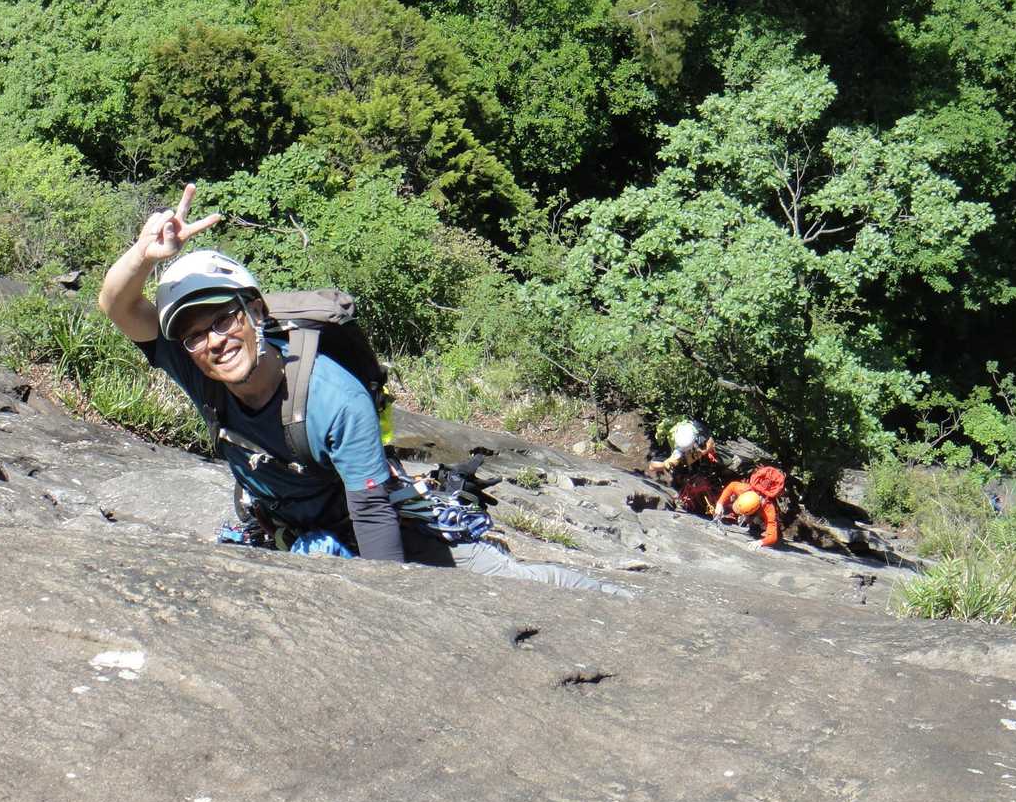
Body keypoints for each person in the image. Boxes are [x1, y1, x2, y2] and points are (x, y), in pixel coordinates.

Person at [98, 184, 630, 596]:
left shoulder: (333, 398)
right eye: (194, 334)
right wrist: (144, 254)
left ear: (255, 311)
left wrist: (382, 609)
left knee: (504, 583)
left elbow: (374, 516)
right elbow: (116, 306)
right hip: (283, 527)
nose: (214, 341)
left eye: (223, 320)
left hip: (367, 519)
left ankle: (618, 600)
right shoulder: (198, 364)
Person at [647, 419, 722, 514]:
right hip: (681, 468)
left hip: (700, 458)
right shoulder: (668, 445)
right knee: (679, 476)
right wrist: (666, 463)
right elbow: (652, 466)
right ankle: (683, 499)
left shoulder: (696, 428)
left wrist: (701, 453)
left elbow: (711, 442)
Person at [713, 477, 781, 549]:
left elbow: (773, 537)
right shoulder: (744, 489)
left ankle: (755, 523)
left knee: (757, 524)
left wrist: (761, 542)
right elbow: (732, 485)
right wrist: (720, 503)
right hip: (752, 502)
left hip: (761, 510)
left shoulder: (768, 509)